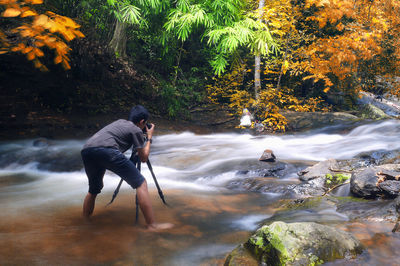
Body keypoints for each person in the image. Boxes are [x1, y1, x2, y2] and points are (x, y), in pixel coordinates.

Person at [81, 105, 173, 231]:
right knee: (141, 183)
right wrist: (149, 137)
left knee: (94, 190)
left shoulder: (119, 122)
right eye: (145, 124)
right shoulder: (136, 130)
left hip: (87, 150)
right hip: (107, 150)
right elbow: (144, 158)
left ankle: (85, 221)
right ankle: (152, 225)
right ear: (142, 122)